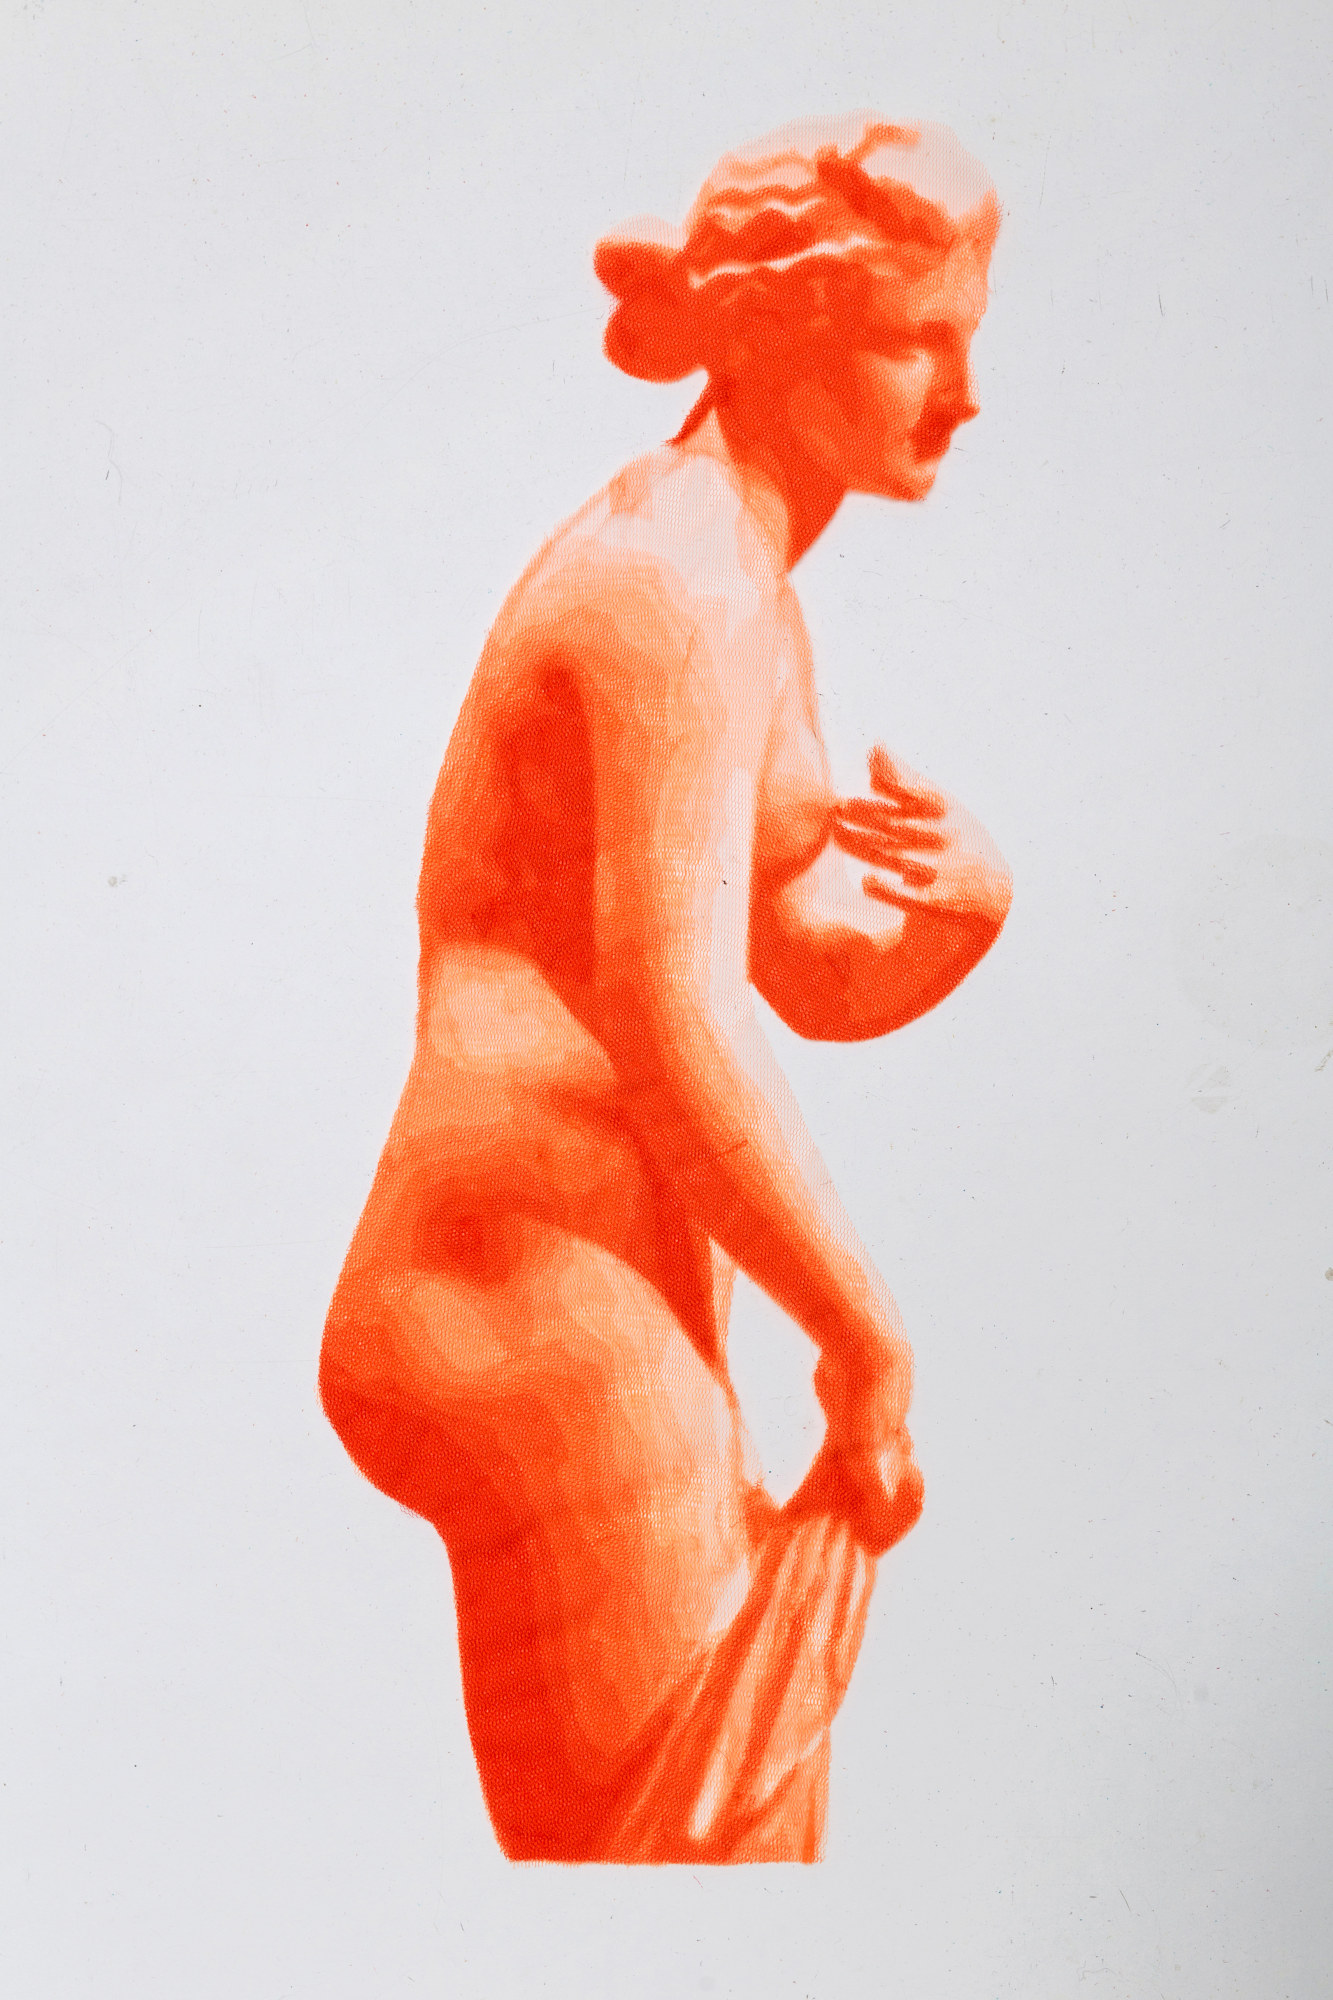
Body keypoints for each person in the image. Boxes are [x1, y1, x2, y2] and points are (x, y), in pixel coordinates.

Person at [320, 113, 1011, 1863]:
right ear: (781, 334)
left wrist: (952, 919)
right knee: (688, 1870)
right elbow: (676, 1020)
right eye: (917, 340)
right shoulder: (678, 590)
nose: (962, 395)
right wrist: (861, 1334)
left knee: (691, 1857)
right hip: (523, 1286)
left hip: (588, 1268)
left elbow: (798, 972)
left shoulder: (743, 577)